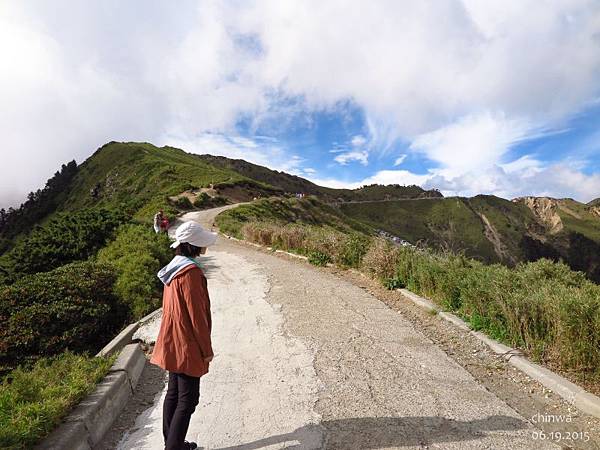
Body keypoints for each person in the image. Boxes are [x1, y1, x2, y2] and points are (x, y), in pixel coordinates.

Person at [150, 221, 217, 450]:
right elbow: (197, 317)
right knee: (188, 399)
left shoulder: (174, 267)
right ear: (193, 245)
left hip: (171, 338)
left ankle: (173, 443)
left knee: (174, 393)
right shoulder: (191, 273)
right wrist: (206, 351)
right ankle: (173, 447)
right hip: (186, 343)